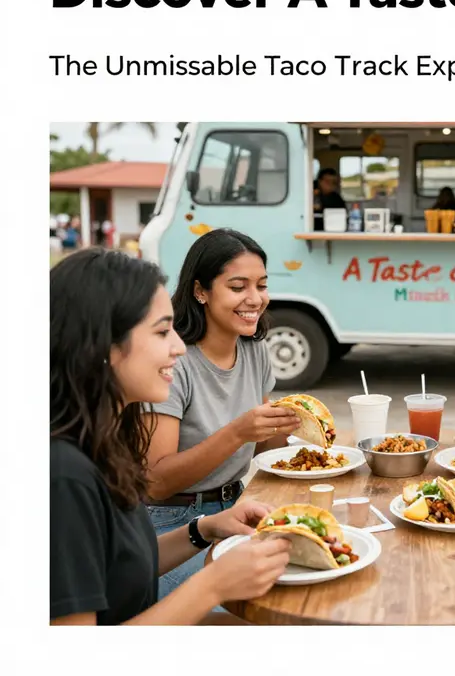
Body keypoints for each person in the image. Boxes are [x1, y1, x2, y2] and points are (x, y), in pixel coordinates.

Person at [50, 249, 291, 625]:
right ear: (101, 346)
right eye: (163, 331)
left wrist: (205, 529)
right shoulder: (63, 477)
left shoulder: (104, 445)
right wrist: (212, 585)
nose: (179, 346)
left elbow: (122, 564)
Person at [143, 228, 301, 600]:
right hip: (173, 523)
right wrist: (238, 432)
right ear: (201, 291)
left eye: (261, 285)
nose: (255, 298)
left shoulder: (255, 350)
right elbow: (156, 482)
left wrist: (293, 426)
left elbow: (262, 447)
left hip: (240, 506)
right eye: (238, 286)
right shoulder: (173, 360)